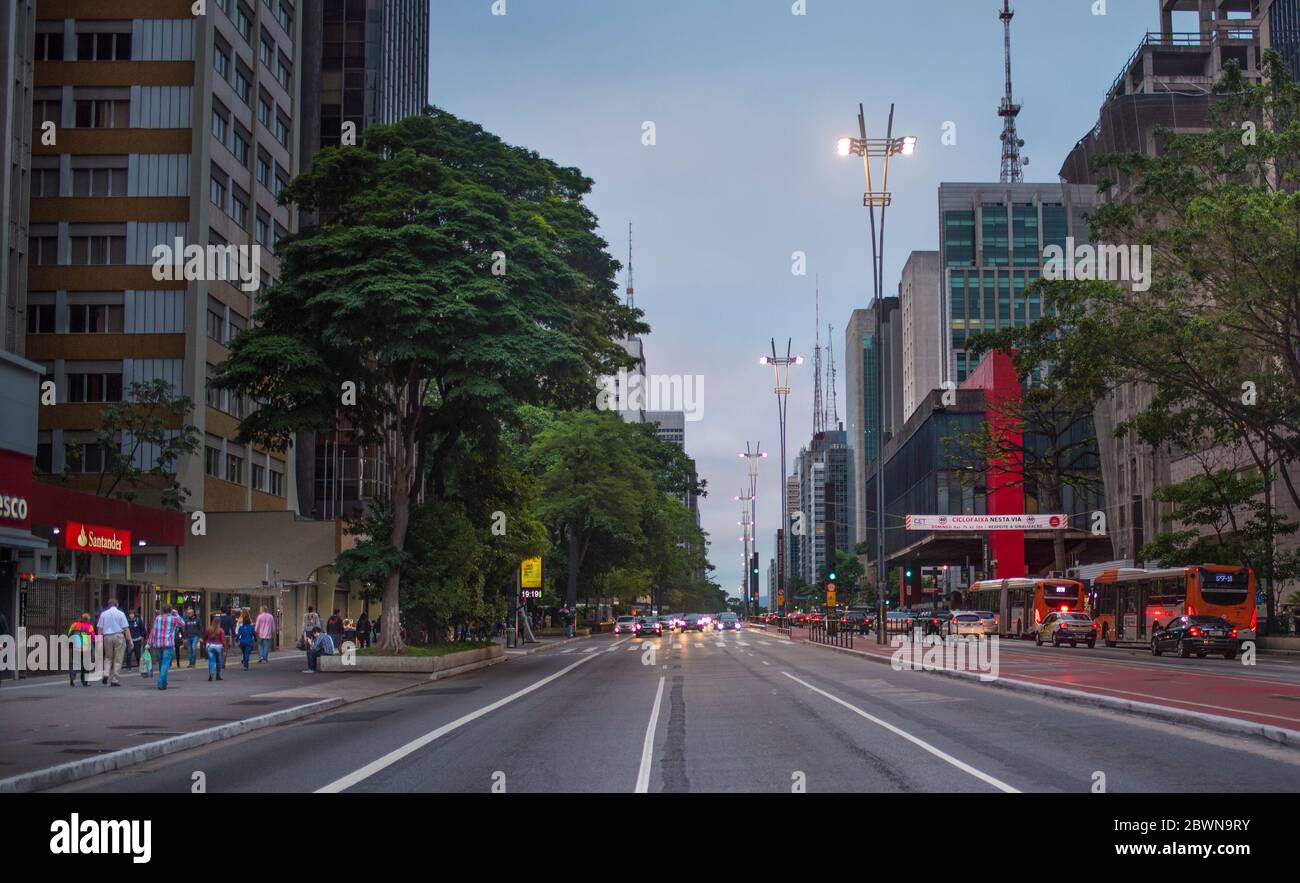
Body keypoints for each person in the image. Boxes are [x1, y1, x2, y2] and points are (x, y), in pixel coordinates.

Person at [147, 604, 184, 690]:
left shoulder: (158, 618)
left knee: (161, 663)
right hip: (168, 644)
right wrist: (177, 614)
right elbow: (183, 624)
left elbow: (153, 630)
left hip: (158, 644)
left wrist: (149, 643)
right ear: (171, 610)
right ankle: (160, 682)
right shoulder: (174, 619)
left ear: (162, 610)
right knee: (165, 663)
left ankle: (164, 682)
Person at [95, 599, 129, 687]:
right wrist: (130, 640)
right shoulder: (121, 614)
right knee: (118, 658)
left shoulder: (103, 614)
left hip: (107, 637)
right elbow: (126, 628)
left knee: (108, 657)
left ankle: (106, 673)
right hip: (118, 636)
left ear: (108, 605)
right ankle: (114, 679)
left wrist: (99, 641)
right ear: (117, 604)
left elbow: (100, 629)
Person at [67, 613, 96, 687]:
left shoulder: (74, 624)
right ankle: (84, 681)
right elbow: (93, 637)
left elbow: (69, 633)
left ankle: (72, 677)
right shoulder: (89, 626)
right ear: (88, 619)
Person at [203, 615, 225, 681]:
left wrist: (205, 645)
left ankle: (211, 673)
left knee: (211, 661)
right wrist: (225, 649)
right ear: (219, 622)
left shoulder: (208, 629)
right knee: (219, 661)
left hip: (210, 646)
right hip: (218, 646)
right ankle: (218, 675)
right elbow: (223, 640)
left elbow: (205, 638)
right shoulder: (220, 630)